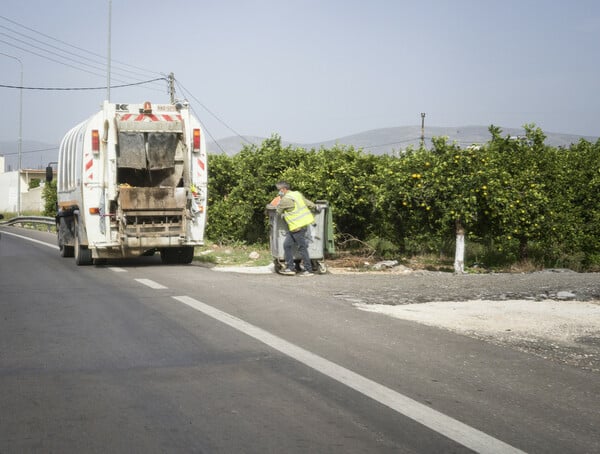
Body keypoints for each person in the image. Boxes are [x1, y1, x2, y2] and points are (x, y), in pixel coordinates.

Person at [275, 181, 316, 276]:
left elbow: (278, 212)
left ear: (283, 189)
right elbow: (309, 204)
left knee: (302, 248)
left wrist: (280, 203)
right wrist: (315, 207)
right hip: (299, 226)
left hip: (297, 227)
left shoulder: (285, 200)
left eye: (279, 190)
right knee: (287, 245)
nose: (278, 192)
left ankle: (308, 270)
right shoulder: (297, 194)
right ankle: (291, 268)